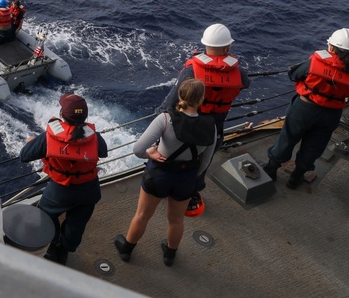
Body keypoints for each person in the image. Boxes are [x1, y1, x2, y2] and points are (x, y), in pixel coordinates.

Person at [115, 79, 216, 267]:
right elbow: (206, 161)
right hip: (186, 179)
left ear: (180, 96)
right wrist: (192, 176)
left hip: (159, 175)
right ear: (201, 100)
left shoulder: (166, 119)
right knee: (176, 220)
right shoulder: (211, 126)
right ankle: (169, 255)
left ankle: (126, 249)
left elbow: (138, 150)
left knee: (142, 215)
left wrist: (149, 153)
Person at [157, 23, 249, 215]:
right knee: (201, 164)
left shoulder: (191, 72)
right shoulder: (238, 73)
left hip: (186, 127)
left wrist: (160, 121)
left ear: (205, 46)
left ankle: (165, 186)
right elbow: (245, 83)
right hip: (213, 131)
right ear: (227, 47)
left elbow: (170, 102)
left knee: (175, 157)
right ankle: (193, 193)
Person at [19, 94, 107, 265]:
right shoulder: (94, 136)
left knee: (45, 213)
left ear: (62, 115)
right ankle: (64, 251)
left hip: (60, 191)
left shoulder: (49, 137)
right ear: (85, 117)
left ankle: (52, 246)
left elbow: (25, 156)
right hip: (88, 191)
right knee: (77, 223)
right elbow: (103, 151)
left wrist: (31, 142)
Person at [263, 28, 349, 189]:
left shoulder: (314, 64)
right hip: (331, 114)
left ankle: (271, 170)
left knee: (288, 138)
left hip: (305, 108)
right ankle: (296, 178)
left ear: (331, 48)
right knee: (315, 145)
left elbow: (294, 74)